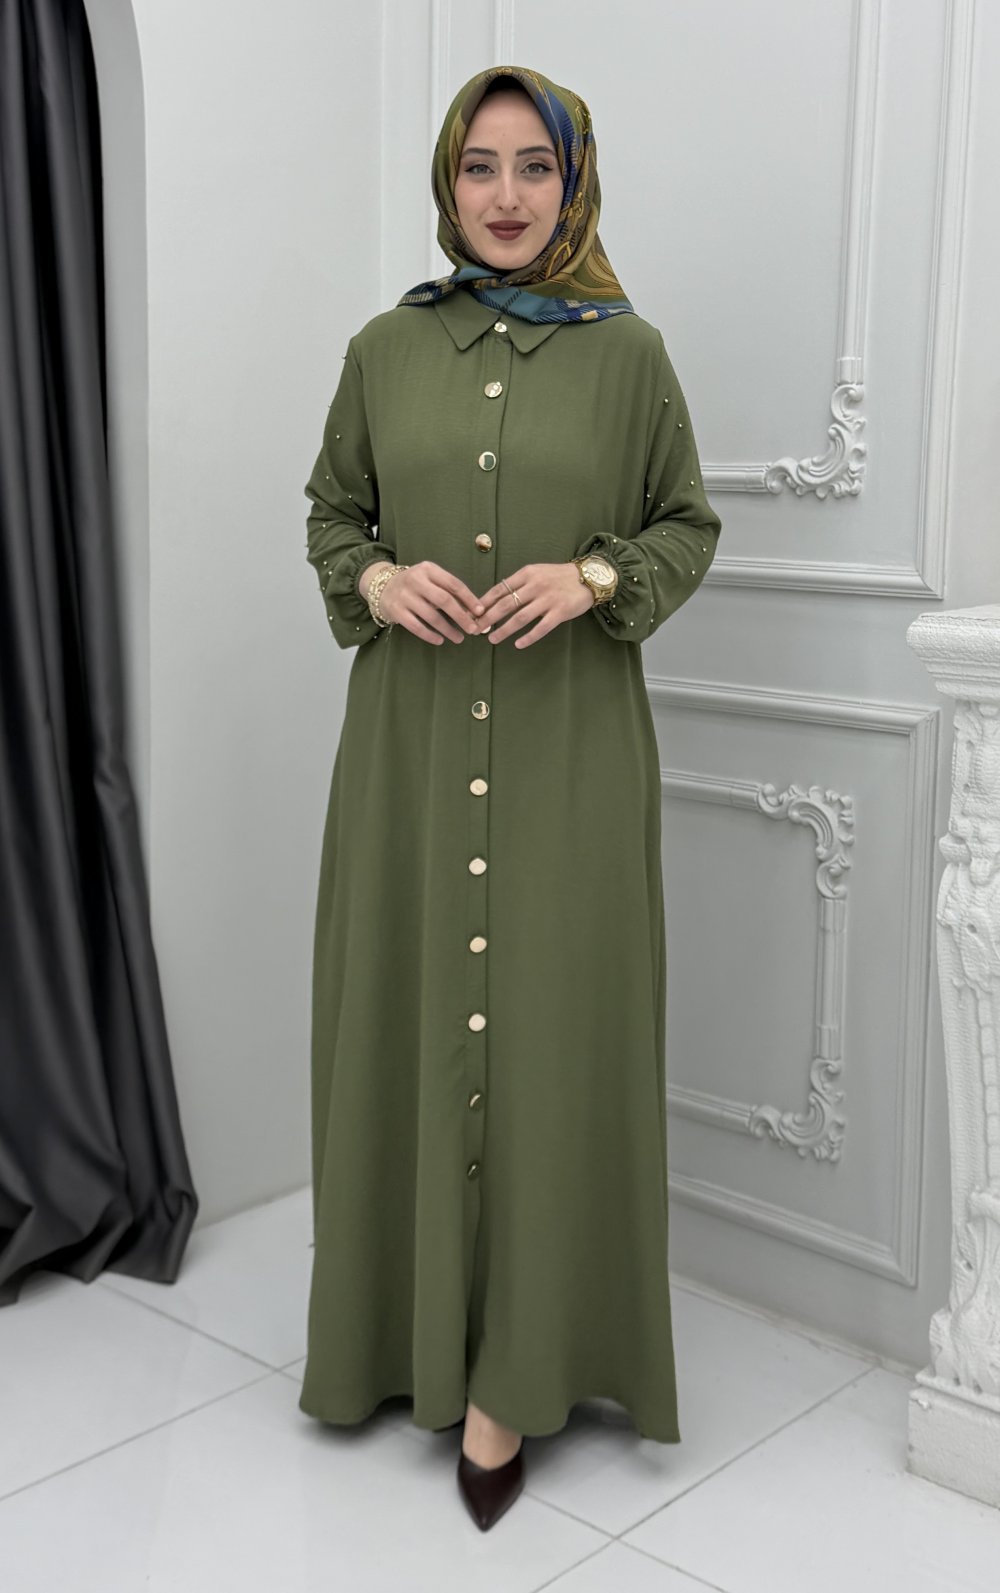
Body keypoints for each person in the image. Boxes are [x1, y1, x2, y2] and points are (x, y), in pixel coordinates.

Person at [298, 63, 722, 1532]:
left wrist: (596, 575)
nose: (505, 195)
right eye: (479, 166)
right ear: (447, 181)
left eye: (535, 166)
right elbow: (333, 513)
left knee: (552, 1038)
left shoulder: (632, 356)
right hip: (409, 754)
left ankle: (515, 1377)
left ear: (574, 183)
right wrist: (376, 580)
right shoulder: (383, 348)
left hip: (569, 760)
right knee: (410, 1020)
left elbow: (686, 523)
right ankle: (401, 1335)